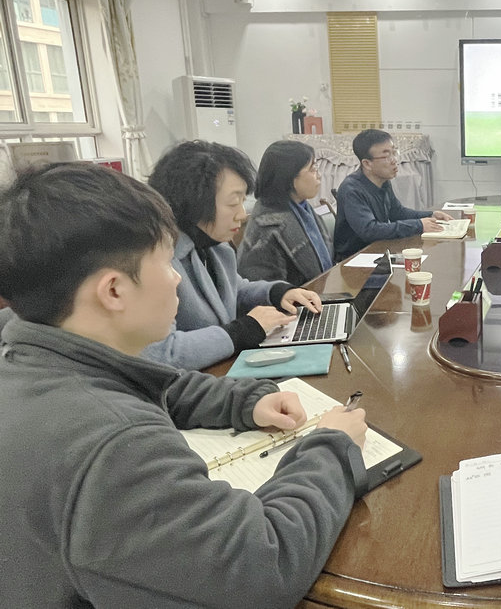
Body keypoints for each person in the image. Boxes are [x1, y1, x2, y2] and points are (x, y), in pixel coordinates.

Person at [0, 162, 368, 608]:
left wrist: (246, 401)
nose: (176, 277)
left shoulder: (31, 351)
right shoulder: (114, 446)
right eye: (164, 262)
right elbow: (261, 565)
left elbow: (153, 383)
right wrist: (331, 447)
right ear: (113, 291)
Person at [143, 140, 322, 370]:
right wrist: (243, 331)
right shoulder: (156, 261)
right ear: (194, 203)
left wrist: (277, 292)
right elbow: (161, 352)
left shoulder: (215, 246)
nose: (242, 214)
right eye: (232, 203)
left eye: (242, 201)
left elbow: (235, 289)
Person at [333, 129, 453, 260]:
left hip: (380, 251)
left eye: (394, 152)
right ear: (367, 164)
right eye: (386, 156)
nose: (394, 160)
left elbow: (397, 212)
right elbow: (370, 230)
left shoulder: (382, 181)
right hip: (355, 259)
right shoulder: (352, 189)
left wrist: (430, 215)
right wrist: (419, 225)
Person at [237, 140, 333, 286]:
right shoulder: (267, 226)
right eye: (312, 169)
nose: (319, 175)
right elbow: (267, 289)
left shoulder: (302, 207)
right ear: (289, 176)